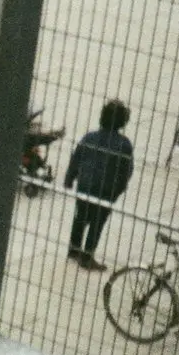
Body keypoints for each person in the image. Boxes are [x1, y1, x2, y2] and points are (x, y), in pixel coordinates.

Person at [64, 99, 134, 272]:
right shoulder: (124, 144)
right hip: (105, 189)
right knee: (97, 221)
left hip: (85, 185)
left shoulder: (89, 137)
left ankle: (73, 249)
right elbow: (126, 170)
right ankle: (87, 256)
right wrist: (120, 188)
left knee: (80, 217)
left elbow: (76, 158)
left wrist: (69, 178)